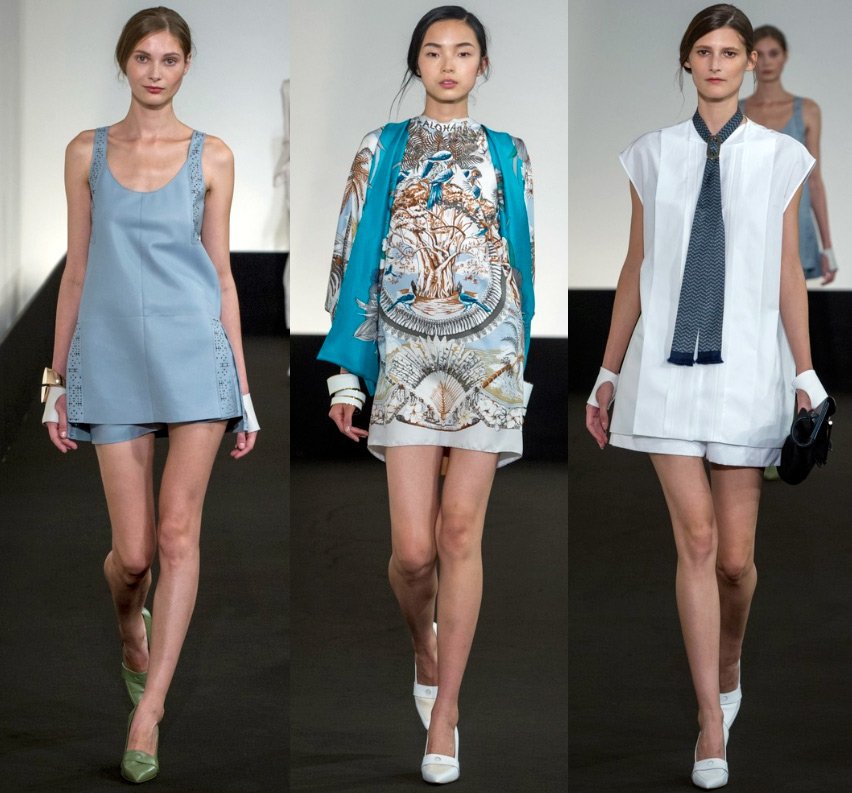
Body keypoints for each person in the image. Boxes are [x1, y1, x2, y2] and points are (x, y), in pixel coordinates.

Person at [585, 4, 828, 789]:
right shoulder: (651, 155)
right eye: (705, 51)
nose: (719, 63)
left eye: (731, 51)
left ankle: (729, 657)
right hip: (663, 369)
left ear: (750, 62)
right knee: (693, 541)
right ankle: (711, 722)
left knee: (734, 561)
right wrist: (608, 370)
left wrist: (806, 372)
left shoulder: (781, 157)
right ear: (686, 62)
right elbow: (636, 266)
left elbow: (788, 271)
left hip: (747, 368)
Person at [40, 7, 259, 784]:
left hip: (194, 358)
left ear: (186, 65)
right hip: (110, 357)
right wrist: (55, 380)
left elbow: (222, 276)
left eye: (169, 58)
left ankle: (150, 710)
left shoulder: (213, 156)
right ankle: (128, 623)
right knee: (131, 556)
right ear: (124, 63)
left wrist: (243, 387)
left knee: (176, 534)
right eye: (143, 58)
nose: (156, 71)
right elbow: (75, 270)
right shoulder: (86, 151)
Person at [319, 5, 534, 785]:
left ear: (482, 65)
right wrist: (347, 371)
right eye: (434, 52)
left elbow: (522, 258)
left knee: (460, 532)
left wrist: (517, 359)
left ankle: (446, 711)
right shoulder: (380, 147)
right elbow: (350, 253)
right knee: (413, 552)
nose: (448, 65)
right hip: (405, 353)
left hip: (488, 355)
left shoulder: (509, 152)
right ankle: (423, 641)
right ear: (417, 63)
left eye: (463, 52)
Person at [741, 25, 837, 284]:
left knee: (791, 306)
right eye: (759, 54)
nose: (767, 62)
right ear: (750, 59)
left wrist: (827, 248)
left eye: (773, 53)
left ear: (785, 56)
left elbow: (814, 181)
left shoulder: (807, 110)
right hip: (748, 227)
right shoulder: (737, 113)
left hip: (796, 225)